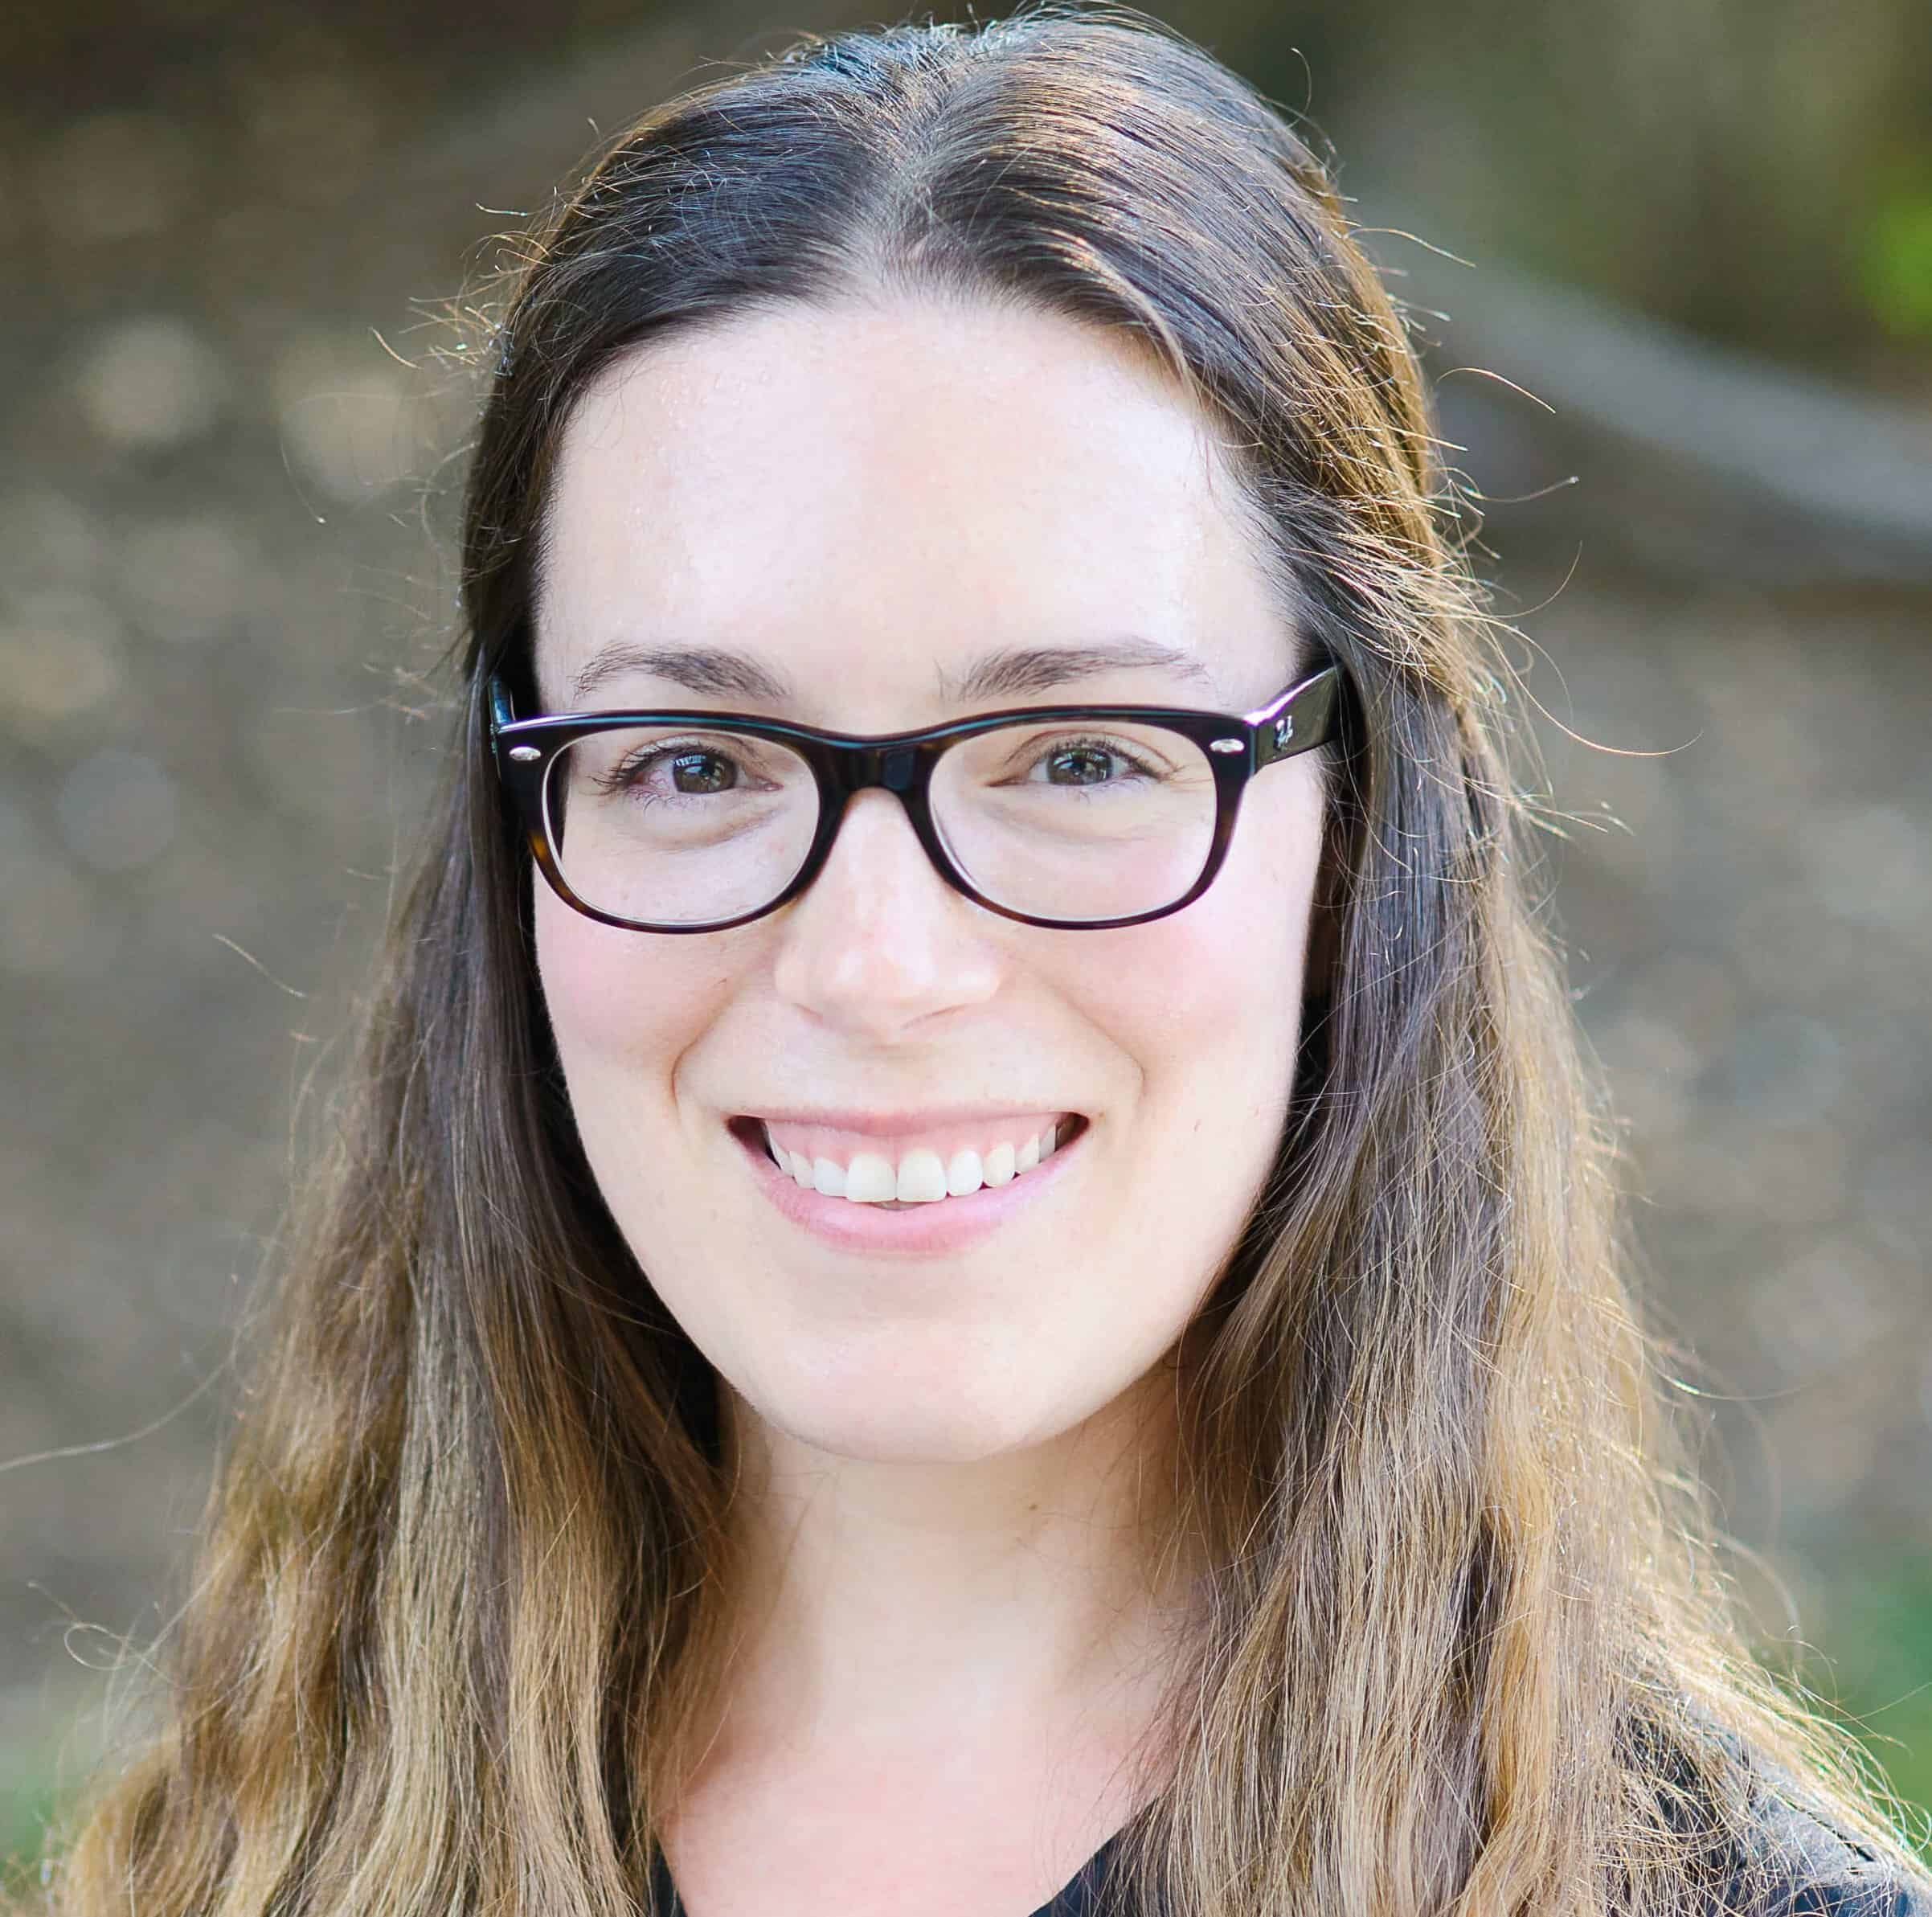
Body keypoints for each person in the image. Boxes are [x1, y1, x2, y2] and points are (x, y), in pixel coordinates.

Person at [21, 7, 1931, 1915]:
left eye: (1081, 756)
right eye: (694, 761)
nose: (876, 962)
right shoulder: (240, 1861)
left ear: (1359, 833)